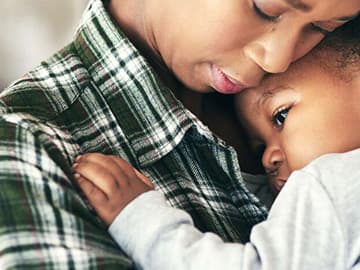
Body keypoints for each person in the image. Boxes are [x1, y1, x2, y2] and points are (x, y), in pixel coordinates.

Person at [0, 0, 359, 268]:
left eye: (323, 28)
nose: (277, 59)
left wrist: (141, 222)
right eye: (265, 8)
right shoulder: (26, 148)